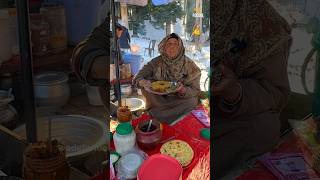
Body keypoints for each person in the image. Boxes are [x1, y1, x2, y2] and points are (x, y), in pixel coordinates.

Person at [212, 0, 292, 178]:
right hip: (187, 101)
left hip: (226, 119)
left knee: (264, 128)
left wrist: (235, 91)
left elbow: (275, 93)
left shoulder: (262, 22)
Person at [133, 33, 201, 124]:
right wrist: (143, 82)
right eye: (169, 44)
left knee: (192, 101)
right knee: (146, 90)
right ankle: (159, 115)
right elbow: (137, 77)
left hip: (179, 101)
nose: (172, 47)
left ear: (180, 47)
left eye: (175, 44)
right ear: (164, 47)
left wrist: (183, 90)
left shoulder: (190, 65)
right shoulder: (155, 62)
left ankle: (168, 118)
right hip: (159, 99)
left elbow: (195, 89)